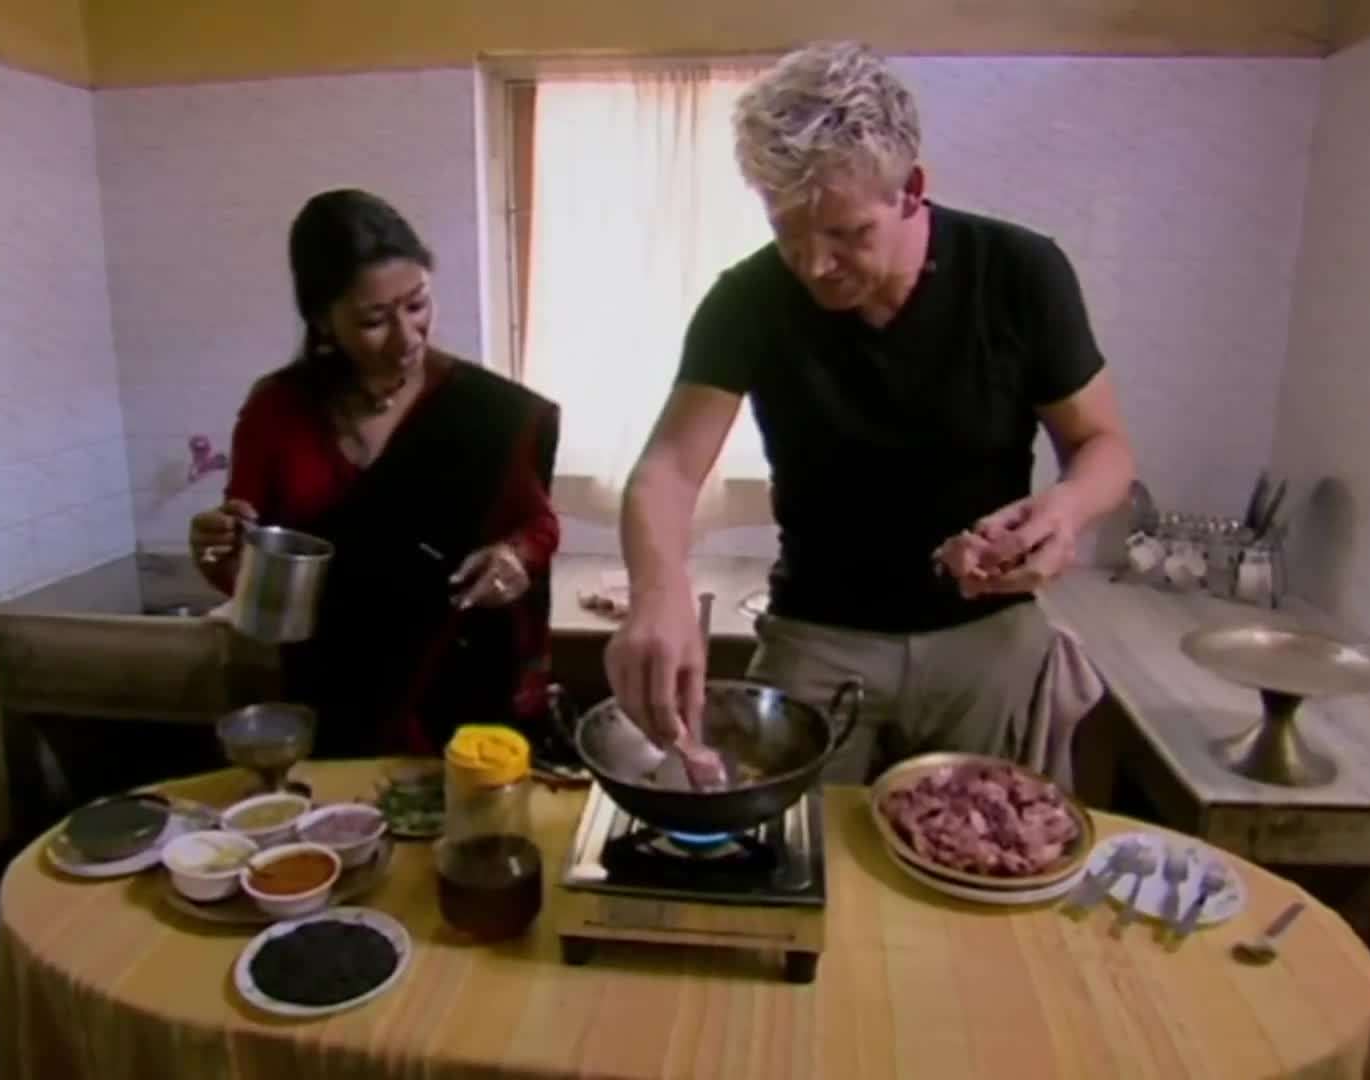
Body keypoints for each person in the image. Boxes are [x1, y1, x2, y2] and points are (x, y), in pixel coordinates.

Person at [606, 43, 1135, 783]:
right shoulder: (747, 301)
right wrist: (656, 592)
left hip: (987, 637)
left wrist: (1068, 510)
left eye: (846, 234)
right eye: (787, 232)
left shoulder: (1019, 273)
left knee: (987, 858)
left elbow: (1103, 444)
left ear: (911, 189)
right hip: (818, 637)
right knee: (796, 862)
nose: (813, 264)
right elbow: (667, 470)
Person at [191, 189, 560, 758]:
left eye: (417, 305)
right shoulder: (277, 411)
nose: (407, 337)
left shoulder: (486, 411)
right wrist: (219, 550)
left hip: (459, 686)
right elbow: (252, 562)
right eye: (373, 320)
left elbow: (538, 525)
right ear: (322, 319)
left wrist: (513, 558)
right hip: (335, 692)